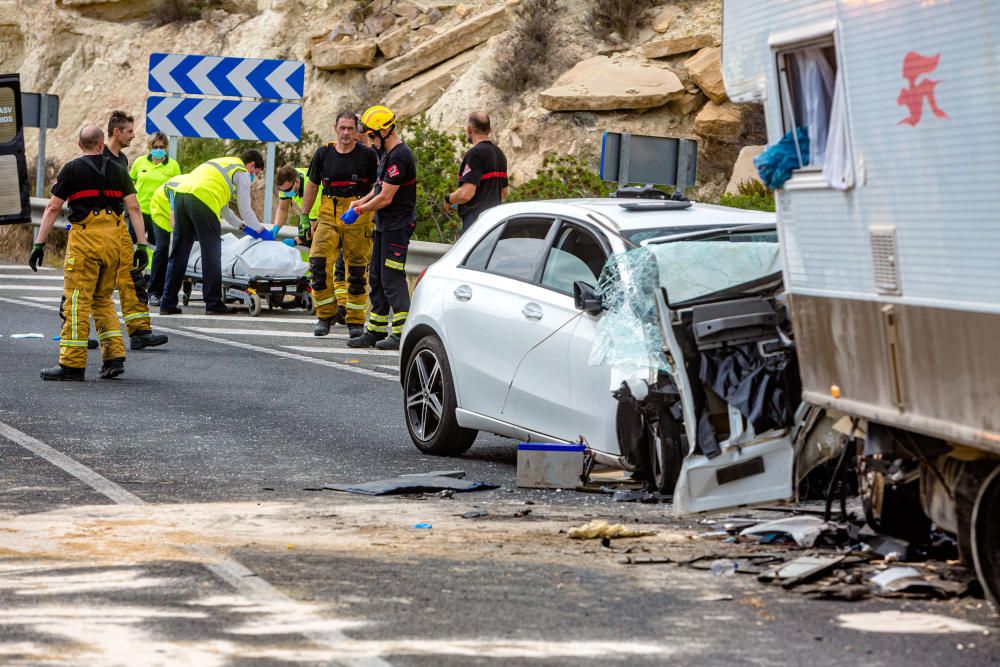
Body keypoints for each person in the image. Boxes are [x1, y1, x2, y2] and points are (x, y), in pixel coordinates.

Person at [29, 125, 148, 380]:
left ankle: (72, 364)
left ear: (79, 144)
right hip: (113, 242)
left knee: (76, 302)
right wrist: (141, 245)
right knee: (103, 299)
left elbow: (52, 208)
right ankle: (114, 357)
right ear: (102, 144)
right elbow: (134, 208)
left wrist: (39, 244)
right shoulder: (118, 169)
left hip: (86, 241)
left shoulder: (72, 169)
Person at [159, 149, 271, 315]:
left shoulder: (222, 164)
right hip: (203, 200)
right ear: (252, 165)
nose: (253, 177)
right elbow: (246, 210)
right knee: (211, 254)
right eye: (256, 173)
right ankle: (213, 303)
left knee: (180, 253)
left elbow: (226, 211)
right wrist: (262, 231)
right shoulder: (242, 172)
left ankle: (167, 303)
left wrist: (243, 228)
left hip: (181, 197)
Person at [298, 112, 378, 337]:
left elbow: (377, 187)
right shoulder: (323, 153)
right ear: (335, 128)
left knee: (356, 271)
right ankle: (325, 315)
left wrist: (363, 207)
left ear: (356, 131)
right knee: (317, 264)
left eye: (350, 129)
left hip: (358, 212)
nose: (345, 133)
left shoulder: (368, 156)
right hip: (328, 211)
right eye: (342, 128)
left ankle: (355, 321)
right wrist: (304, 217)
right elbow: (312, 185)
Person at [347, 105, 416, 351]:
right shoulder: (386, 153)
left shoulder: (400, 156)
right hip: (385, 225)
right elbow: (378, 188)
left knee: (392, 279)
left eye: (373, 135)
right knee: (375, 277)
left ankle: (399, 333)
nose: (371, 139)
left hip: (397, 227)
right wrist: (361, 201)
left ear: (385, 131)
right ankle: (375, 330)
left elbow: (386, 197)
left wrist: (359, 211)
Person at [103, 111, 168, 350]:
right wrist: (141, 242)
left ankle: (140, 332)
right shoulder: (100, 157)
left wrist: (139, 243)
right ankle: (78, 333)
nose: (133, 136)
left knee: (133, 280)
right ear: (117, 132)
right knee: (91, 285)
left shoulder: (122, 159)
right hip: (98, 230)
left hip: (118, 227)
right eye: (129, 131)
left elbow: (129, 203)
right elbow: (133, 205)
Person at [129, 131, 181, 306]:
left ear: (166, 148)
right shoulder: (139, 163)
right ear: (149, 147)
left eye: (161, 147)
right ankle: (128, 279)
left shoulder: (173, 166)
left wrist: (174, 213)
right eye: (155, 147)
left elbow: (176, 191)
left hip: (159, 213)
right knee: (130, 246)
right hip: (138, 211)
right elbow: (129, 185)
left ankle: (153, 287)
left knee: (159, 248)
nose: (158, 150)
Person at [444, 111, 508, 234]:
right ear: (490, 130)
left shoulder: (475, 154)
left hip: (475, 224)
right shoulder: (500, 154)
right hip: (494, 225)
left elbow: (466, 194)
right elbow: (504, 193)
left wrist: (449, 199)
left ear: (469, 130)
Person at [273, 164, 321, 246]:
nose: (285, 194)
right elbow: (282, 209)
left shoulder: (313, 191)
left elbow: (317, 229)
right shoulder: (287, 183)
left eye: (287, 190)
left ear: (297, 182)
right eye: (282, 191)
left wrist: (295, 241)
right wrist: (275, 228)